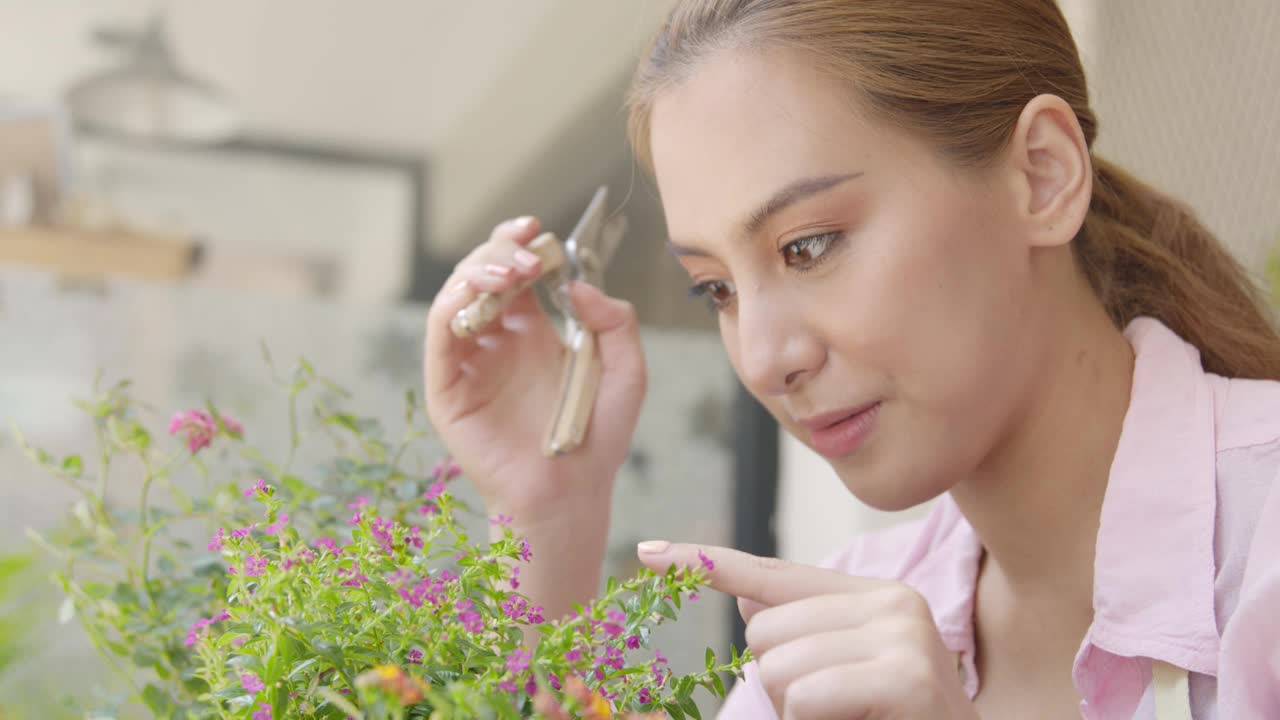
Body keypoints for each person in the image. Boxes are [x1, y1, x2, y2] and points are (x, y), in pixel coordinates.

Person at [424, 1, 1280, 717]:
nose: (764, 358)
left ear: (1043, 176)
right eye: (715, 290)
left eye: (809, 246)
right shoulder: (833, 637)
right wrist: (550, 519)